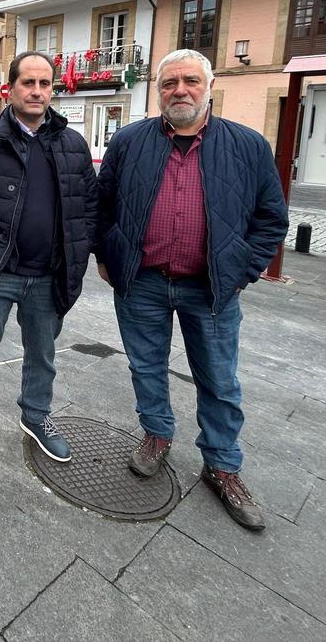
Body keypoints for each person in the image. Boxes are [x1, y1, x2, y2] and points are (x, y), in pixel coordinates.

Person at [94, 48, 288, 530]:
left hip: (212, 289)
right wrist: (107, 254)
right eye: (169, 83)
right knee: (146, 366)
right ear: (157, 90)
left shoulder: (247, 145)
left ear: (209, 86)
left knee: (220, 380)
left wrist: (244, 267)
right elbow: (101, 205)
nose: (180, 90)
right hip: (142, 282)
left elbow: (271, 218)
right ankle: (157, 435)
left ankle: (222, 465)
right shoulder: (129, 141)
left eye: (190, 81)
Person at [0, 51, 98, 469]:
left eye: (45, 84)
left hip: (48, 277)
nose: (37, 91)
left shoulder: (72, 145)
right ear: (9, 89)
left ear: (53, 89)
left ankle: (37, 416)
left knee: (43, 356)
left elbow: (90, 208)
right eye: (28, 83)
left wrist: (77, 260)